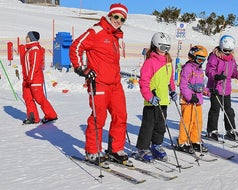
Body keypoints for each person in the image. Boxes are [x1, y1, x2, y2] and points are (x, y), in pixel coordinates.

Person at [69, 3, 129, 165]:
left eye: (122, 19)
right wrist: (81, 68)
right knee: (98, 117)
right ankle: (92, 151)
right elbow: (76, 46)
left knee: (121, 116)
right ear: (110, 15)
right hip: (99, 83)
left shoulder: (115, 36)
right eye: (116, 17)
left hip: (115, 84)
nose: (118, 21)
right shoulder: (96, 31)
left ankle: (115, 149)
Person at [135, 32, 177, 162]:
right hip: (152, 101)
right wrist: (149, 97)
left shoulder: (169, 62)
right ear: (155, 46)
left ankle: (156, 145)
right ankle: (142, 148)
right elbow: (144, 82)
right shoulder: (150, 62)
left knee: (160, 126)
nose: (165, 51)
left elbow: (170, 79)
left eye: (167, 48)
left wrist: (172, 91)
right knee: (148, 126)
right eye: (162, 47)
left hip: (163, 100)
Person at [205, 35, 238, 141]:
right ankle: (212, 131)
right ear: (221, 47)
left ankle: (230, 130)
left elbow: (233, 72)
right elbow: (209, 70)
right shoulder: (214, 56)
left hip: (226, 89)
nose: (227, 53)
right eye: (225, 50)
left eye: (230, 50)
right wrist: (216, 76)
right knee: (215, 110)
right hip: (215, 88)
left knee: (228, 110)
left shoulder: (231, 59)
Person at [20, 31, 58, 125]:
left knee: (39, 98)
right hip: (27, 79)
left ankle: (51, 115)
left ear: (32, 38)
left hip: (34, 79)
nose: (26, 37)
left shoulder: (35, 49)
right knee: (27, 97)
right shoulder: (28, 50)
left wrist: (30, 78)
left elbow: (35, 66)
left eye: (27, 36)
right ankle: (33, 117)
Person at [177, 45, 209, 153]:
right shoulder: (187, 68)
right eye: (199, 59)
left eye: (203, 60)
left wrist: (208, 91)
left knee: (197, 121)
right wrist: (190, 97)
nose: (201, 62)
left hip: (197, 101)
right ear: (192, 56)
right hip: (187, 101)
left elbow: (199, 85)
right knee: (187, 121)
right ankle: (182, 142)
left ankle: (195, 140)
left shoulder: (200, 70)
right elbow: (183, 85)